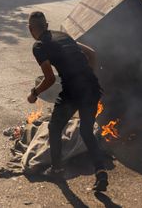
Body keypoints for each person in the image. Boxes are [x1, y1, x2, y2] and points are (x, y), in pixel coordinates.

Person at [26, 11, 108, 191]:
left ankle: (57, 169)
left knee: (54, 128)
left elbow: (49, 79)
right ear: (47, 25)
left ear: (31, 29)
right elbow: (92, 54)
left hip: (72, 92)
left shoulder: (39, 46)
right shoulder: (64, 35)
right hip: (92, 88)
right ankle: (101, 172)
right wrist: (88, 76)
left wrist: (34, 93)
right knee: (86, 131)